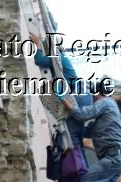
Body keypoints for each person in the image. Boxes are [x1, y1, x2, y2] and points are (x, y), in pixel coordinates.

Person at [60, 83, 121, 182]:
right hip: (116, 158)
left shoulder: (105, 102)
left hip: (112, 158)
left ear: (96, 94)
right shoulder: (109, 109)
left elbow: (83, 114)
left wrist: (64, 101)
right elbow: (89, 131)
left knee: (84, 179)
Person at [30, 33, 92, 163]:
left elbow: (39, 60)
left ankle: (78, 170)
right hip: (82, 95)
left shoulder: (58, 58)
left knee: (72, 134)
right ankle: (82, 167)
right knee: (76, 136)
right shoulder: (60, 59)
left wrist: (37, 45)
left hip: (78, 96)